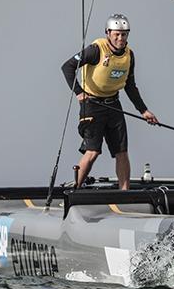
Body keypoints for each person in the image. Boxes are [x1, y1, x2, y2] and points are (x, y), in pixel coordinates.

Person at [61, 13, 158, 190]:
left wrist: (144, 111)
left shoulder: (129, 55)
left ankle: (124, 194)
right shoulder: (96, 49)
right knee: (93, 151)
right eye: (117, 34)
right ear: (108, 33)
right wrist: (79, 93)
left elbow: (130, 86)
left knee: (121, 151)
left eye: (124, 34)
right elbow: (67, 67)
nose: (121, 38)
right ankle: (75, 190)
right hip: (92, 105)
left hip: (114, 104)